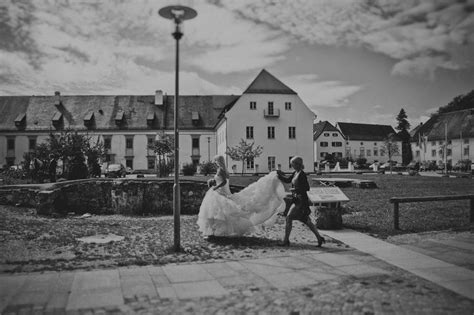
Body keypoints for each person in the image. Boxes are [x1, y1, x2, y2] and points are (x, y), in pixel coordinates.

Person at [197, 155, 286, 238]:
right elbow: (223, 180)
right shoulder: (225, 170)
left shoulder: (220, 170)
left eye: (215, 161)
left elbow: (223, 182)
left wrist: (215, 187)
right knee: (222, 212)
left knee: (216, 211)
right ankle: (218, 232)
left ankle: (215, 232)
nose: (215, 162)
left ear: (219, 161)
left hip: (221, 191)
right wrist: (213, 180)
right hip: (224, 191)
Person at [276, 156, 325, 247]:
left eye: (293, 164)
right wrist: (278, 175)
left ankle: (286, 241)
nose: (292, 165)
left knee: (289, 218)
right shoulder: (295, 173)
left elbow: (307, 188)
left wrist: (296, 189)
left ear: (298, 164)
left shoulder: (302, 174)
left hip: (301, 201)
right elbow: (287, 180)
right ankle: (319, 238)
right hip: (297, 200)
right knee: (306, 220)